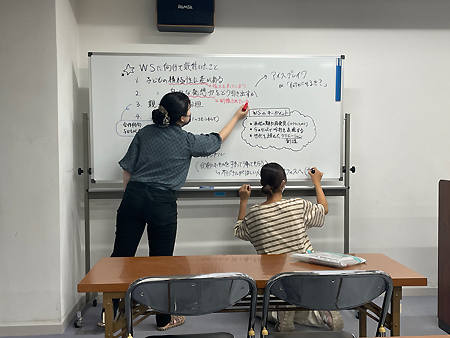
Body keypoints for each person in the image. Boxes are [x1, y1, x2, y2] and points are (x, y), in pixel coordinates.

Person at [111, 91, 248, 331]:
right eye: (189, 111)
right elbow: (217, 140)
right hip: (162, 202)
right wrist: (236, 117)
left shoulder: (144, 133)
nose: (190, 114)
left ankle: (108, 313)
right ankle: (163, 319)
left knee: (121, 257)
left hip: (133, 196)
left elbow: (127, 170)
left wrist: (130, 199)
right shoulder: (186, 141)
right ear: (181, 118)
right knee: (161, 263)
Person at [234, 162, 343, 332]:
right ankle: (321, 308)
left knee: (257, 307)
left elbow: (239, 230)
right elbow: (324, 209)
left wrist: (243, 201)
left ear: (262, 184)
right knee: (303, 302)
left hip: (277, 281)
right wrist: (317, 182)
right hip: (305, 276)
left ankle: (283, 310)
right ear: (283, 183)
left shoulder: (255, 214)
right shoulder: (298, 205)